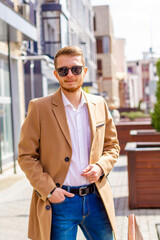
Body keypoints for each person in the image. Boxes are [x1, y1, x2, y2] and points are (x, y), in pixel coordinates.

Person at [18, 45, 120, 240]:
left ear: (85, 71)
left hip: (97, 198)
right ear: (56, 74)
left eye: (76, 69)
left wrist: (100, 167)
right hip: (60, 202)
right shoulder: (39, 108)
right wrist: (49, 190)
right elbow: (26, 156)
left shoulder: (99, 104)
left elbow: (112, 146)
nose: (70, 74)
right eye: (63, 70)